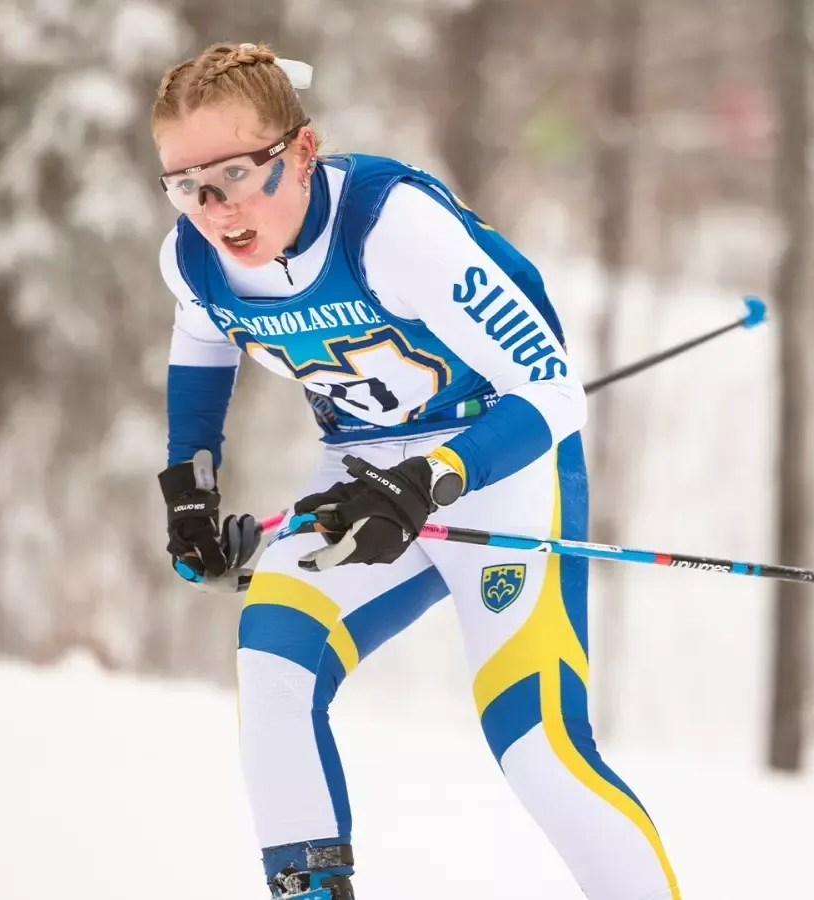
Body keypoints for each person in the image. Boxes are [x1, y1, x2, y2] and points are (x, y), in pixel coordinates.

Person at [149, 42, 680, 900]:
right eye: (186, 185)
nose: (216, 208)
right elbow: (202, 337)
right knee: (272, 662)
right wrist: (190, 487)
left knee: (535, 742)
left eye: (238, 174)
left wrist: (430, 479)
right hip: (362, 468)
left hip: (499, 462)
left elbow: (551, 394)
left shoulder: (391, 230)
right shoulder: (196, 259)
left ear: (302, 150)